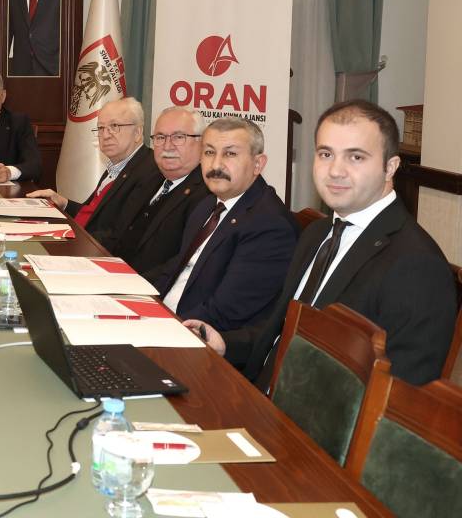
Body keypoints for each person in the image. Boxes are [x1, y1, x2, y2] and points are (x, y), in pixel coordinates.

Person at [186, 101, 456, 386]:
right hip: (255, 390)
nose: (335, 170)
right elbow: (283, 332)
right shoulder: (318, 232)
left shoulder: (417, 264)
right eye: (326, 154)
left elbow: (398, 392)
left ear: (390, 168)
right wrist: (226, 344)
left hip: (302, 413)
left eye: (356, 157)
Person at [147, 117, 297, 332]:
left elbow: (224, 312)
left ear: (258, 164)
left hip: (197, 336)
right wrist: (131, 295)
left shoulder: (270, 226)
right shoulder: (208, 204)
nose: (216, 165)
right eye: (209, 152)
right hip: (164, 315)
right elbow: (174, 269)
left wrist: (158, 327)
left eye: (230, 154)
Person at [28, 97, 161, 248]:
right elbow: (94, 215)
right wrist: (64, 203)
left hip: (97, 252)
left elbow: (119, 235)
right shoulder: (116, 166)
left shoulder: (149, 171)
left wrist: (65, 238)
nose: (105, 135)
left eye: (114, 126)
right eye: (101, 128)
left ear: (137, 132)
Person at [114, 106, 210, 272]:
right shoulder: (149, 178)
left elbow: (180, 266)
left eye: (178, 137)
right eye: (160, 137)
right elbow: (117, 233)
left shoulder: (206, 195)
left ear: (201, 143)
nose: (167, 146)